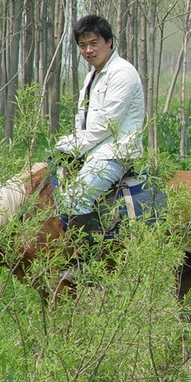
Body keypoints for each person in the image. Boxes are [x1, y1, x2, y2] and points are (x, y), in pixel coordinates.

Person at [55, 14, 145, 240]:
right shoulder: (92, 76)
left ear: (109, 41)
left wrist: (74, 144)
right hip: (93, 153)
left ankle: (88, 263)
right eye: (82, 45)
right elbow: (83, 119)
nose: (88, 50)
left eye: (94, 43)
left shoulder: (122, 72)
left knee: (75, 197)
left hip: (114, 154)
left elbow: (108, 123)